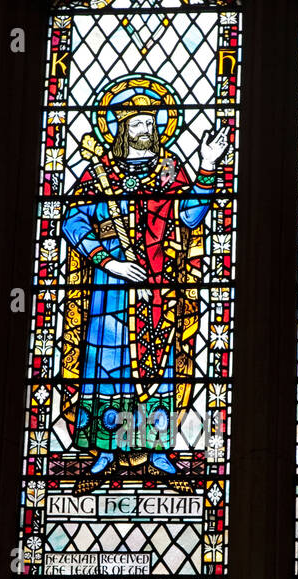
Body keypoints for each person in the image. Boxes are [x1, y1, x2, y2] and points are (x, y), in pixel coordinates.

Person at [61, 78, 230, 475]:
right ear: (121, 129)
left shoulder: (171, 172)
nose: (146, 130)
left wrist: (207, 166)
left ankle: (156, 451)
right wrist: (108, 262)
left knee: (160, 367)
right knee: (106, 366)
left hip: (160, 284)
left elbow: (190, 215)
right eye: (137, 124)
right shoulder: (98, 174)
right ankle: (103, 450)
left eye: (151, 123)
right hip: (112, 289)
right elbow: (73, 220)